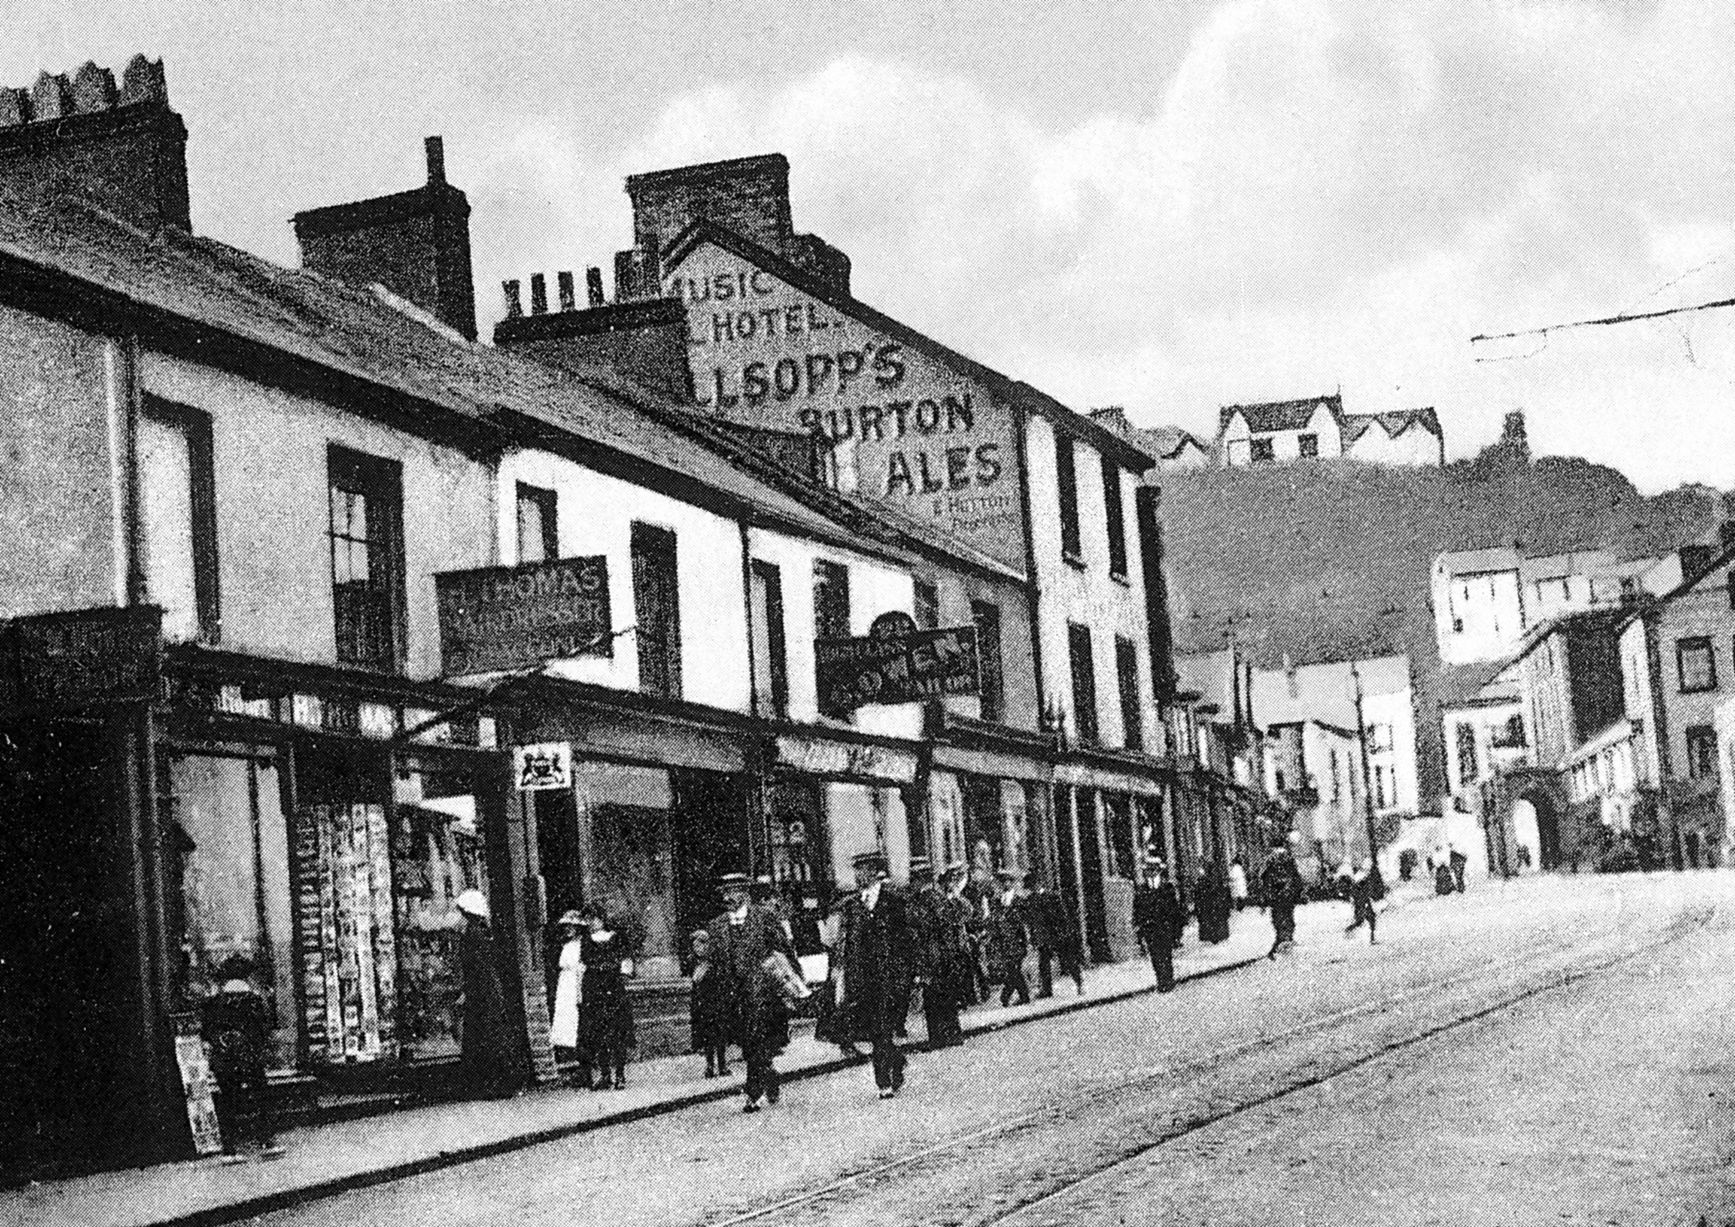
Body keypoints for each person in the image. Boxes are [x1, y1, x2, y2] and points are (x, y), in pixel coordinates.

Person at [708, 872, 800, 1112]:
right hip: (732, 996)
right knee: (746, 1043)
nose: (728, 897)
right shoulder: (716, 926)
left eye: (733, 892)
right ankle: (768, 1071)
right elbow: (714, 962)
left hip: (762, 993)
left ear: (745, 893)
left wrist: (794, 984)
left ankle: (753, 1093)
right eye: (725, 893)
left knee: (756, 1037)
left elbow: (783, 950)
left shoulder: (764, 917)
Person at [835, 852, 915, 1099]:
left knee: (882, 1029)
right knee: (875, 1031)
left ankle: (883, 1083)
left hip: (890, 978)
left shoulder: (894, 902)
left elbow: (907, 941)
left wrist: (909, 975)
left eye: (863, 870)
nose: (858, 875)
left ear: (874, 871)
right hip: (863, 979)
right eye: (856, 870)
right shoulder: (852, 907)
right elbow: (847, 944)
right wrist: (842, 975)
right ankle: (897, 1060)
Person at [201, 954, 282, 1162]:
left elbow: (207, 1031)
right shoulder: (254, 1000)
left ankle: (230, 1149)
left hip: (225, 1058)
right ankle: (266, 1141)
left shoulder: (215, 1002)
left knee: (228, 1099)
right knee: (260, 1095)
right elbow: (264, 1029)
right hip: (250, 1056)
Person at [457, 888, 521, 1099]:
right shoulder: (483, 930)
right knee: (493, 1034)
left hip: (482, 991)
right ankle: (501, 1083)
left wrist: (469, 990)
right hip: (488, 990)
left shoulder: (473, 933)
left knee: (485, 1036)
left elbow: (476, 966)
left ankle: (490, 1084)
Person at [577, 908, 635, 1090]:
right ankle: (605, 1075)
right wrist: (580, 992)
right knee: (598, 1033)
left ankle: (620, 1074)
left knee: (617, 1032)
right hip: (594, 990)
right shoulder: (586, 941)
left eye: (594, 919)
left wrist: (623, 976)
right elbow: (582, 965)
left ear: (602, 920)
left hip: (613, 989)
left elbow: (626, 959)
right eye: (588, 920)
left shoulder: (616, 938)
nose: (591, 923)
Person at [1024, 873, 1084, 998]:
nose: (1031, 889)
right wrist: (1034, 937)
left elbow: (1062, 917)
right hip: (1042, 937)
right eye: (1029, 887)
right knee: (1043, 964)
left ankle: (1080, 984)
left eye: (1032, 886)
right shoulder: (1030, 900)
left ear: (1038, 884)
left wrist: (1062, 934)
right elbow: (1031, 921)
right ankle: (1047, 990)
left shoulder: (1052, 897)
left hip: (1057, 936)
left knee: (1068, 961)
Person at [549, 910, 589, 1087]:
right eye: (566, 927)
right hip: (564, 985)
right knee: (566, 1026)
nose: (568, 930)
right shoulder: (566, 945)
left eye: (572, 927)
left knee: (576, 1025)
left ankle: (583, 1069)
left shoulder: (582, 946)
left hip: (574, 984)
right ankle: (576, 1068)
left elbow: (581, 968)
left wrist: (580, 990)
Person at [1132, 858, 1183, 991]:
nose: (1151, 872)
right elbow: (1137, 911)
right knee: (1155, 956)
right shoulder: (1141, 889)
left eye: (1153, 869)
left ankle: (1168, 980)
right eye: (1148, 870)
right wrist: (1139, 928)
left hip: (1165, 928)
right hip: (1150, 929)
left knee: (1166, 954)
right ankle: (1161, 981)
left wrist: (1177, 931)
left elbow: (1175, 910)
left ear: (1159, 870)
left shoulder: (1167, 887)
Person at [689, 929, 732, 1078]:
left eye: (699, 946)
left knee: (720, 1034)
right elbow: (694, 984)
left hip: (716, 1002)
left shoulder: (714, 962)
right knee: (707, 1036)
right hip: (702, 1004)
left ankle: (722, 1065)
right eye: (695, 946)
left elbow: (722, 981)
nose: (697, 949)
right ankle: (709, 1066)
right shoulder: (694, 962)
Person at [986, 868, 1032, 1006]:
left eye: (1007, 881)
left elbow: (1023, 921)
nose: (1005, 884)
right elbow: (994, 920)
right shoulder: (997, 901)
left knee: (1014, 969)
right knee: (1012, 969)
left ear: (1012, 883)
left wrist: (1026, 941)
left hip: (1017, 940)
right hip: (1003, 941)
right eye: (1002, 882)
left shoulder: (1019, 901)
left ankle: (1009, 996)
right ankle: (1017, 996)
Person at [1260, 835, 1305, 959]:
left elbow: (1265, 877)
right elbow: (1296, 875)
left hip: (1276, 893)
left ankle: (1281, 937)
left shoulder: (1269, 859)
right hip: (1288, 891)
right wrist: (1299, 891)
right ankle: (1288, 937)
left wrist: (1265, 897)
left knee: (1277, 915)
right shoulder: (1289, 857)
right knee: (1288, 913)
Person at [1345, 857, 1383, 944]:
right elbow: (1356, 890)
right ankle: (1348, 930)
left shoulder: (1366, 876)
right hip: (1361, 902)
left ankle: (1372, 939)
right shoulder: (1361, 876)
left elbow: (1369, 889)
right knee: (1360, 921)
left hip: (1365, 901)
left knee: (1371, 919)